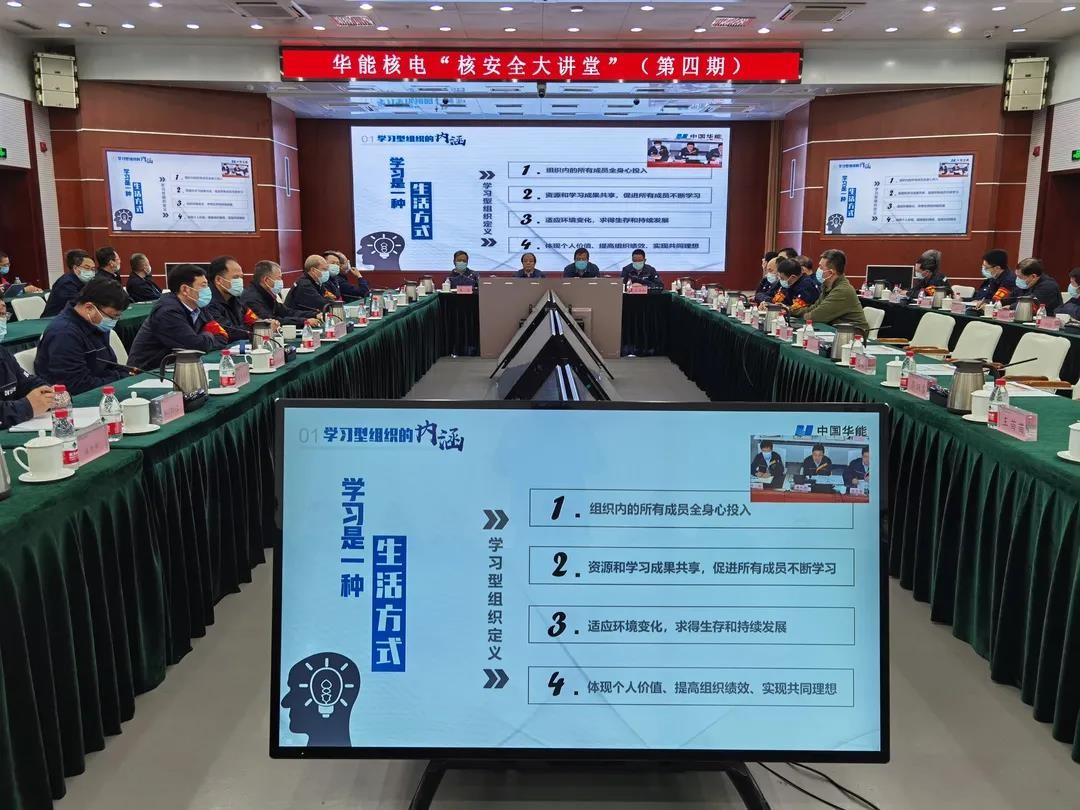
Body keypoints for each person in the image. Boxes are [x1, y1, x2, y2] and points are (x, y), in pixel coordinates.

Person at [34, 277, 130, 395]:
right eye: (113, 316)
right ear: (89, 308)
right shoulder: (64, 334)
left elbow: (109, 366)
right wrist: (120, 377)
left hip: (99, 388)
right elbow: (75, 385)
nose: (114, 321)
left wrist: (126, 373)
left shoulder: (96, 324)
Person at [127, 264, 229, 370]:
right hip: (148, 371)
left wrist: (204, 338)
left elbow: (222, 336)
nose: (208, 290)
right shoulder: (167, 312)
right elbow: (195, 346)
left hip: (177, 365)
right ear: (185, 289)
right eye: (203, 286)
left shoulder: (199, 306)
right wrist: (209, 334)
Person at [0, 299, 54, 428]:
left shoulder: (2, 353)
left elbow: (27, 382)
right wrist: (28, 407)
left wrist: (49, 393)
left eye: (2, 314)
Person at [796, 250, 870, 333]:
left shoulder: (842, 291)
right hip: (837, 330)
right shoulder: (827, 287)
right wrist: (791, 311)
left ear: (830, 273)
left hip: (853, 334)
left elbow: (815, 317)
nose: (818, 270)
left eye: (821, 268)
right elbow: (813, 308)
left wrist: (802, 316)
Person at [240, 260, 321, 328]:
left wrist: (314, 315)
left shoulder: (266, 294)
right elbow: (272, 321)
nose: (281, 281)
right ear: (266, 280)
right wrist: (304, 321)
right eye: (279, 278)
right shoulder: (252, 298)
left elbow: (286, 312)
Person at [204, 255, 264, 342]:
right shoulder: (208, 302)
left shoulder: (236, 299)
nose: (240, 281)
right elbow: (230, 332)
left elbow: (255, 322)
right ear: (218, 280)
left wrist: (265, 324)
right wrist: (259, 330)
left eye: (241, 277)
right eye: (235, 277)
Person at [42, 249, 96, 317]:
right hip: (54, 319)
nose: (91, 272)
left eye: (93, 269)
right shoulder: (66, 283)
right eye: (87, 268)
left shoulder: (84, 281)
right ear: (75, 268)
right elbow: (77, 305)